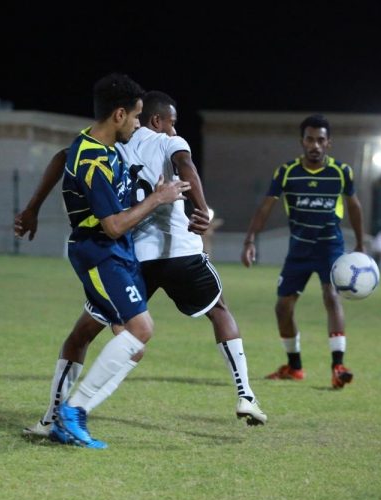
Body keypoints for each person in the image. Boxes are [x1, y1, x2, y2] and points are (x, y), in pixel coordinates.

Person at [16, 90, 267, 445]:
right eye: (171, 122)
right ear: (155, 119)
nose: (174, 128)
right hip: (175, 251)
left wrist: (33, 207)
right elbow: (187, 166)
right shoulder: (167, 142)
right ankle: (245, 394)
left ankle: (55, 416)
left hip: (134, 257)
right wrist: (201, 209)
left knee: (90, 334)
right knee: (217, 311)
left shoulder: (114, 145)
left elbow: (62, 157)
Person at [240, 114, 364, 389]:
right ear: (302, 141)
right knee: (283, 307)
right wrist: (249, 240)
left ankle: (338, 366)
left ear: (329, 143)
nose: (315, 145)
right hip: (298, 249)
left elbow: (354, 206)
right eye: (310, 139)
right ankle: (294, 367)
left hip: (330, 247)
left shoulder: (341, 172)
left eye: (320, 140)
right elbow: (265, 207)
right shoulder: (287, 172)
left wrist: (361, 244)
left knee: (332, 295)